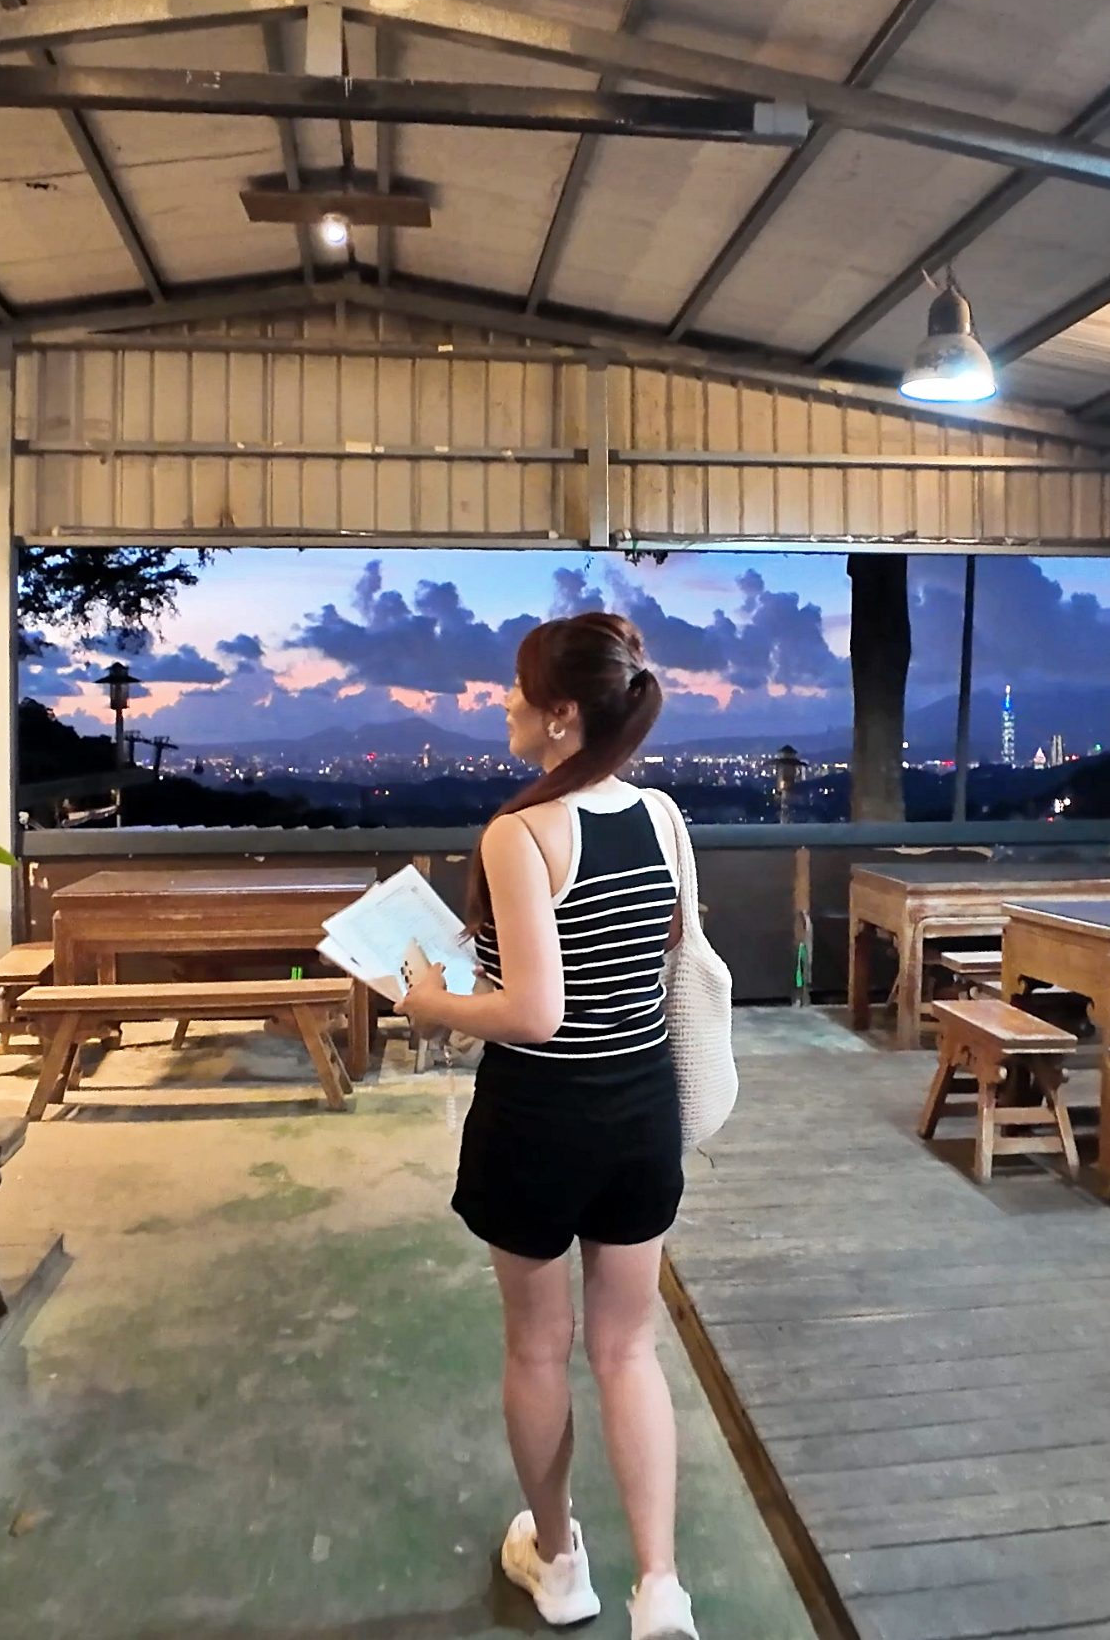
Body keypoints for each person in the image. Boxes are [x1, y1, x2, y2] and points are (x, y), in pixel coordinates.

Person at [394, 612, 699, 1640]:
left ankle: (561, 1563)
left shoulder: (519, 833)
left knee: (538, 1347)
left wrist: (430, 1003)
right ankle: (660, 1588)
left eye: (519, 692)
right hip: (641, 1107)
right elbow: (630, 966)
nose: (506, 705)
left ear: (563, 715)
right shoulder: (660, 817)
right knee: (627, 1351)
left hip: (540, 1117)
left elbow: (534, 1014)